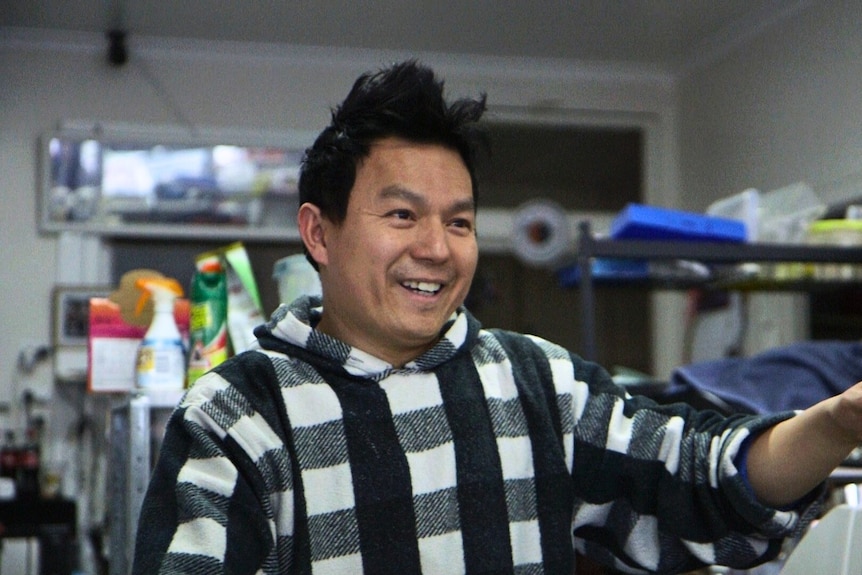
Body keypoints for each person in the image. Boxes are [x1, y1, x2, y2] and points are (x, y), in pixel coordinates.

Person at [132, 59, 862, 575]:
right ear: (319, 233)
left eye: (459, 222)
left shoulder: (534, 383)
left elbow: (701, 477)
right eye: (401, 215)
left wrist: (836, 421)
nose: (435, 249)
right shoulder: (237, 416)